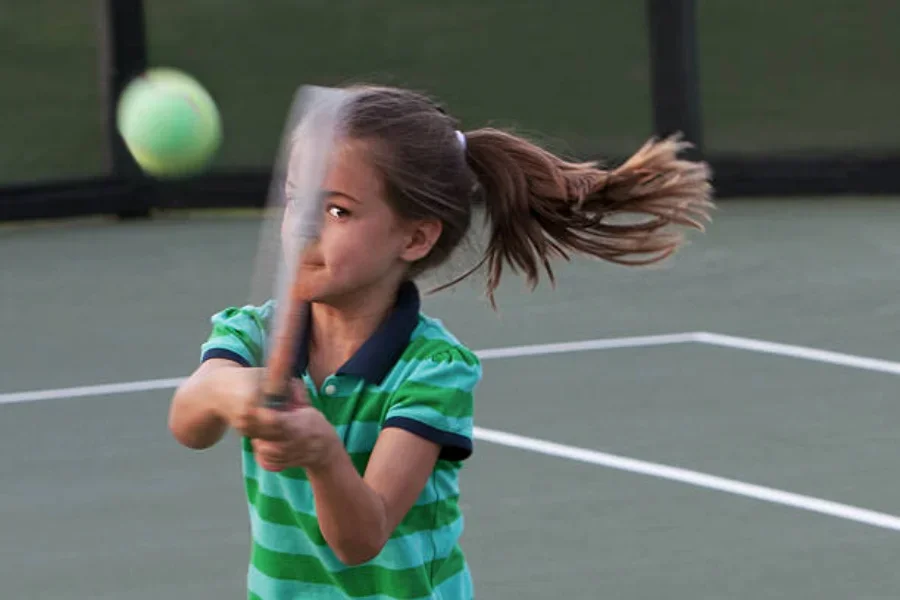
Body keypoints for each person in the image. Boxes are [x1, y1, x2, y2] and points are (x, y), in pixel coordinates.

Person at [167, 84, 714, 599]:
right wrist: (233, 391)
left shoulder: (432, 369)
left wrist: (323, 454)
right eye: (296, 201)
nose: (304, 229)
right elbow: (189, 422)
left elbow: (361, 539)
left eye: (337, 211)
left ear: (415, 236)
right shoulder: (252, 332)